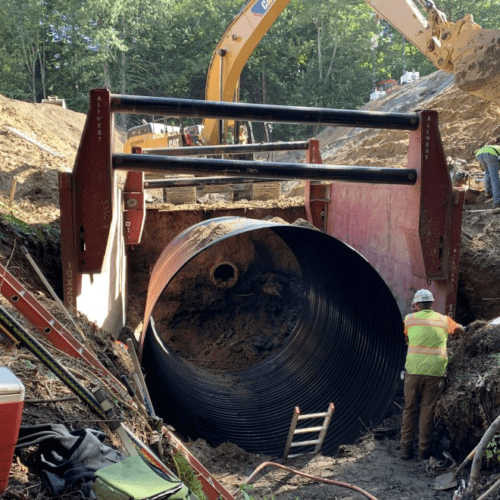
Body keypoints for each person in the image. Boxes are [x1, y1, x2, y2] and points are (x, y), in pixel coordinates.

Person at [400, 289, 464, 461]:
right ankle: (423, 452)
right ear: (431, 303)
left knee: (410, 409)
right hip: (435, 373)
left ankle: (405, 450)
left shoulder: (409, 320)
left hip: (413, 372)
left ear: (416, 305)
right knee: (427, 411)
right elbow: (461, 330)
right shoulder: (444, 320)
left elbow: (406, 337)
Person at [474, 143, 500, 209]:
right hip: (490, 155)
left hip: (479, 155)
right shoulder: (496, 149)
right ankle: (497, 202)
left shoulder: (494, 147)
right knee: (495, 178)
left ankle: (488, 192)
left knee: (487, 173)